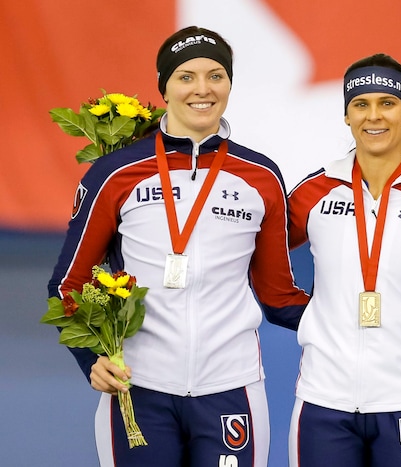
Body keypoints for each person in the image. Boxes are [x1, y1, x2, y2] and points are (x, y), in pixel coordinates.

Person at [47, 25, 309, 467]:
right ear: (163, 86)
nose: (202, 89)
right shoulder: (116, 174)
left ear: (229, 83)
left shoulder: (260, 177)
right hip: (138, 389)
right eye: (186, 76)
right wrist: (90, 358)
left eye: (215, 76)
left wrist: (360, 323)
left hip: (233, 388)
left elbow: (278, 296)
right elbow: (67, 284)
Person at [286, 53, 401, 467]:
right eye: (361, 104)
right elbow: (260, 253)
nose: (375, 116)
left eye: (387, 103)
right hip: (323, 400)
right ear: (347, 116)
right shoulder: (315, 191)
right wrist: (305, 314)